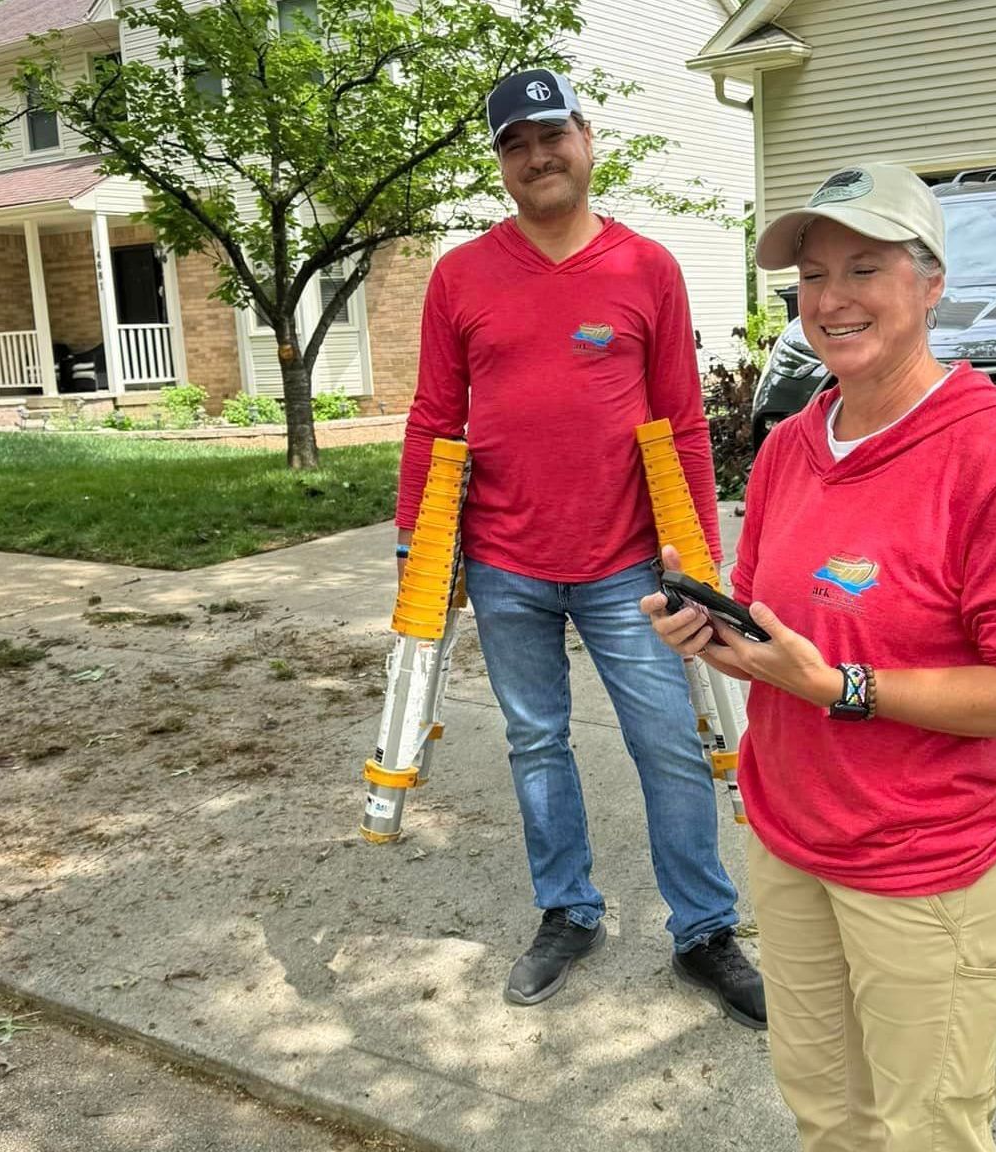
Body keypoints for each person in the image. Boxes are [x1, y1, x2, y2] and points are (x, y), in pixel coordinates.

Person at [642, 162, 996, 1150]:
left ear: (932, 282)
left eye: (865, 267)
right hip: (792, 843)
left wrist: (843, 688)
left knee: (926, 1131)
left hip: (929, 868)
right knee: (827, 1116)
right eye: (811, 275)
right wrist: (717, 639)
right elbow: (783, 649)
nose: (832, 299)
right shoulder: (788, 449)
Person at [394, 68, 765, 1029]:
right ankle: (568, 912)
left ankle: (705, 932)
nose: (537, 156)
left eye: (550, 135)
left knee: (669, 748)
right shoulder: (460, 275)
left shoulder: (648, 269)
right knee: (535, 743)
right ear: (502, 164)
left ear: (587, 140)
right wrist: (415, 543)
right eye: (515, 144)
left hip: (631, 567)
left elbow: (682, 419)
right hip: (506, 561)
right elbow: (436, 416)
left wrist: (699, 557)